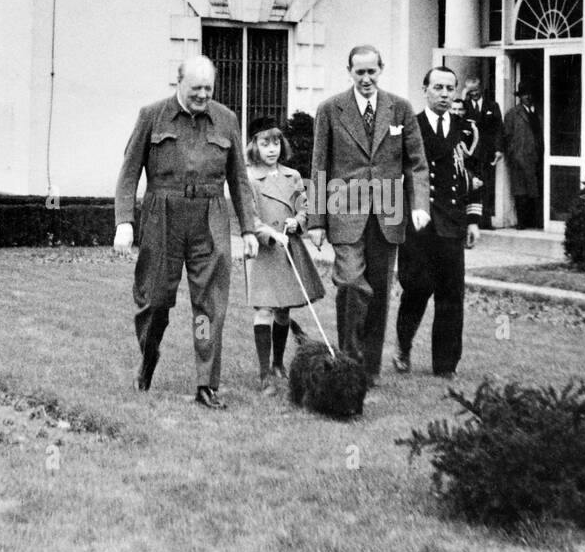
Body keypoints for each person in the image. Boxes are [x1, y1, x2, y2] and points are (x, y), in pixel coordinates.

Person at [113, 55, 259, 409]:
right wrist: (124, 223)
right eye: (196, 89)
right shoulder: (152, 115)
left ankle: (206, 383)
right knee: (155, 302)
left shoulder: (226, 119)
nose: (203, 95)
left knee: (209, 307)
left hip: (210, 218)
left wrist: (249, 228)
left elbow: (239, 179)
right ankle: (148, 356)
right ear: (178, 82)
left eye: (209, 89)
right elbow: (129, 172)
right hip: (163, 216)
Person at [307, 46, 429, 384]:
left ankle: (369, 368)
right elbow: (318, 165)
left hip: (388, 210)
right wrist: (316, 220)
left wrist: (419, 204)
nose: (366, 78)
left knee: (378, 291)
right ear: (349, 71)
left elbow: (416, 163)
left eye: (371, 71)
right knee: (349, 283)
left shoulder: (400, 109)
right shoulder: (331, 109)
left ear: (381, 69)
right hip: (344, 209)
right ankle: (349, 361)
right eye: (359, 72)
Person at [393, 67, 482, 381]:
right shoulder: (409, 128)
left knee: (451, 295)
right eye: (438, 88)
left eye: (450, 88)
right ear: (425, 89)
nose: (445, 94)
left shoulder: (465, 130)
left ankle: (445, 364)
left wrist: (473, 219)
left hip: (453, 224)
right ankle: (403, 345)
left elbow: (474, 177)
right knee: (416, 288)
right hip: (418, 223)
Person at [243, 119, 325, 390]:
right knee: (264, 308)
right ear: (254, 146)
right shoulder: (248, 179)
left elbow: (305, 208)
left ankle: (279, 364)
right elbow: (249, 218)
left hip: (289, 249)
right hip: (264, 251)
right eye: (265, 143)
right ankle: (264, 372)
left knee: (283, 310)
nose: (271, 149)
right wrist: (269, 233)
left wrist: (297, 222)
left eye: (276, 143)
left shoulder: (293, 176)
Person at [461, 75, 504, 230]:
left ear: (482, 89)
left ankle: (485, 221)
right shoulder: (463, 106)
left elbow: (499, 128)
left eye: (476, 90)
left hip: (486, 154)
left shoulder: (492, 106)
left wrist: (499, 149)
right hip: (469, 154)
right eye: (470, 91)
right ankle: (468, 221)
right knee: (469, 185)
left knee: (486, 186)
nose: (474, 94)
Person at [503, 86, 544, 229]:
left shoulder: (538, 113)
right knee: (521, 191)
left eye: (530, 94)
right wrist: (513, 154)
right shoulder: (513, 114)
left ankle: (535, 221)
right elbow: (507, 136)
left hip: (535, 158)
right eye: (525, 94)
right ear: (519, 97)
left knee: (534, 191)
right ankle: (522, 222)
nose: (528, 97)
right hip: (519, 158)